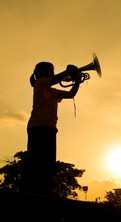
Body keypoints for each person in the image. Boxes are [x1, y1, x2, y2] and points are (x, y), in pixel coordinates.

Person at [25, 61, 81, 195]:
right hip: (39, 127)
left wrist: (77, 81)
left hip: (49, 128)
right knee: (37, 164)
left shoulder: (52, 91)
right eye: (51, 71)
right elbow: (56, 79)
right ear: (44, 73)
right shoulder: (40, 83)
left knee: (48, 165)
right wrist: (69, 71)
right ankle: (36, 193)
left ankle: (44, 192)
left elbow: (71, 94)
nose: (53, 73)